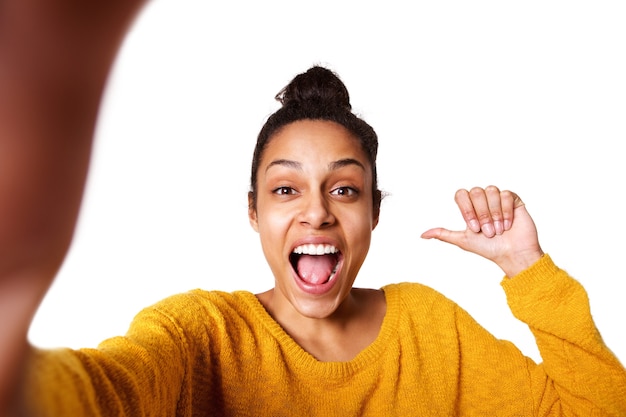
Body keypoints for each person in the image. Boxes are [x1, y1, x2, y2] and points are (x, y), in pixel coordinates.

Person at [2, 3, 625, 417]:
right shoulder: (203, 336)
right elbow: (103, 393)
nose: (318, 213)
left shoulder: (428, 328)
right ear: (253, 212)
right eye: (285, 189)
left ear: (374, 213)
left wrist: (528, 269)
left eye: (345, 189)